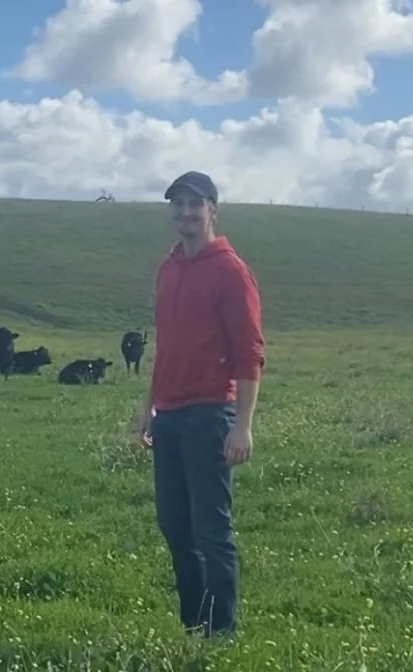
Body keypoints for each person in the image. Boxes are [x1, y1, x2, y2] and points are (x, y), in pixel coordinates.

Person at [133, 170, 265, 639]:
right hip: (168, 416)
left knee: (211, 531)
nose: (186, 213)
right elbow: (166, 346)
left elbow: (250, 353)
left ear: (213, 211)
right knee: (174, 526)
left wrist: (242, 426)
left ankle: (221, 633)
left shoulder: (230, 270)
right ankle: (194, 625)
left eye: (196, 204)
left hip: (210, 414)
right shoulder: (168, 268)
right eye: (178, 204)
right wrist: (148, 405)